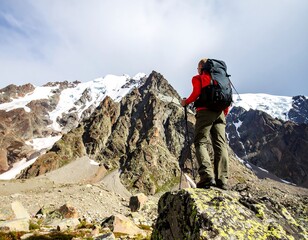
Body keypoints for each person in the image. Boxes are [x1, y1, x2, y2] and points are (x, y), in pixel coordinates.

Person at [181, 58, 229, 190]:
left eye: (197, 68)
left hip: (205, 112)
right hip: (220, 113)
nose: (197, 70)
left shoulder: (198, 78)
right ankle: (222, 180)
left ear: (202, 68)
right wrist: (223, 112)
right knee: (220, 144)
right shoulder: (221, 78)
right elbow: (227, 98)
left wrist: (186, 102)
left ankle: (207, 176)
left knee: (200, 142)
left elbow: (196, 93)